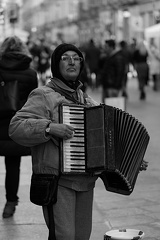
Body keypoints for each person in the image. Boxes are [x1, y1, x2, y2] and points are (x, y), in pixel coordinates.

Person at [9, 43, 98, 240]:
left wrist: (128, 160)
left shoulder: (86, 100)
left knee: (82, 236)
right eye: (65, 58)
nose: (72, 62)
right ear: (56, 65)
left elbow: (102, 138)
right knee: (64, 236)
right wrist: (49, 127)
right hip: (58, 181)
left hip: (85, 182)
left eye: (76, 58)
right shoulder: (42, 95)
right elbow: (15, 127)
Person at [0, 36, 38, 218]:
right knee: (12, 164)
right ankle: (10, 202)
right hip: (17, 123)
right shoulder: (30, 73)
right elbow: (35, 101)